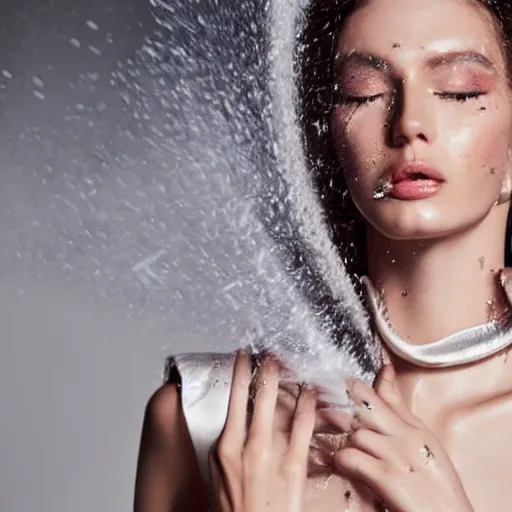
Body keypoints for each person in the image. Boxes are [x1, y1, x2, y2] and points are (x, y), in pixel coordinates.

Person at [133, 0, 512, 510]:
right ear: (328, 145)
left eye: (458, 90)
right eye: (365, 93)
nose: (410, 123)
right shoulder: (206, 419)